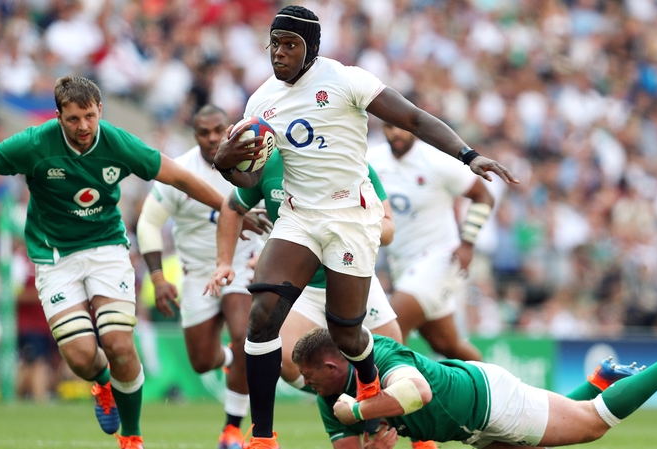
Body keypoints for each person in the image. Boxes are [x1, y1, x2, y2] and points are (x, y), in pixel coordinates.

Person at [211, 5, 519, 447]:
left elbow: (412, 118)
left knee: (347, 333)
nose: (278, 54)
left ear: (311, 47)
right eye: (273, 45)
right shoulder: (261, 102)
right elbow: (252, 179)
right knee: (261, 318)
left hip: (350, 219)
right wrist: (226, 167)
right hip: (298, 218)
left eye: (289, 45)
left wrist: (469, 156)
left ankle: (370, 380)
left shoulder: (345, 79)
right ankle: (262, 436)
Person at [0, 76, 227, 449]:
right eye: (74, 119)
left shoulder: (117, 142)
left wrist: (228, 207)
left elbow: (178, 176)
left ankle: (131, 438)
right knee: (81, 357)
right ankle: (102, 384)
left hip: (106, 248)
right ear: (59, 116)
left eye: (90, 117)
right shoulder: (35, 143)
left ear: (100, 111)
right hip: (55, 257)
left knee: (119, 344)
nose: (83, 127)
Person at [292, 327, 657, 449]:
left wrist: (361, 413)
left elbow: (417, 392)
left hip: (487, 401)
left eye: (309, 376)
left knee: (592, 425)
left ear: (331, 365)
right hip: (470, 426)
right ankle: (599, 381)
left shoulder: (377, 356)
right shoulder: (330, 395)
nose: (304, 384)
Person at [205, 148, 401, 392]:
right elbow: (233, 207)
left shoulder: (351, 163)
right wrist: (224, 262)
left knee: (393, 359)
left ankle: (367, 409)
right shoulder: (269, 165)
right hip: (302, 287)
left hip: (353, 276)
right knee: (286, 361)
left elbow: (389, 230)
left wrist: (346, 227)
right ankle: (338, 402)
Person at [136, 104, 269, 449]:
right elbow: (148, 223)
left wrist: (266, 254)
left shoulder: (254, 161)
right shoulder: (180, 170)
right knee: (201, 361)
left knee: (245, 336)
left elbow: (281, 209)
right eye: (203, 132)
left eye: (218, 130)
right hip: (197, 275)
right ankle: (230, 361)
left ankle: (232, 429)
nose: (212, 138)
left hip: (242, 266)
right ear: (194, 135)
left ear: (230, 128)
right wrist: (157, 278)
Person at [367, 123, 495, 361]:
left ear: (412, 126)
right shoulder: (371, 159)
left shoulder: (437, 160)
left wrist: (467, 242)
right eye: (388, 126)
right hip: (401, 264)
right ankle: (494, 391)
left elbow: (483, 195)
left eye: (401, 127)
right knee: (446, 345)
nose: (396, 133)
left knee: (390, 326)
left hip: (440, 259)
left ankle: (385, 392)